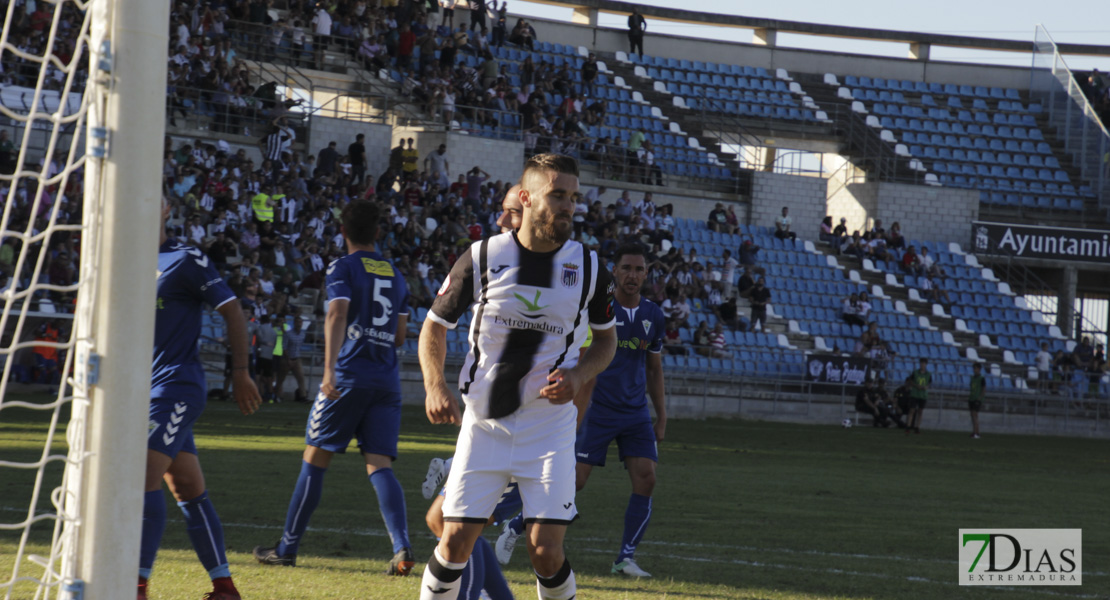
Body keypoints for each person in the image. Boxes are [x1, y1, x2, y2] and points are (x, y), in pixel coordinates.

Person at [417, 153, 617, 600]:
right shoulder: (484, 255)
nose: (568, 206)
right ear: (525, 198)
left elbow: (606, 342)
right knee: (452, 542)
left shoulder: (588, 268)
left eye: (573, 197)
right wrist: (435, 384)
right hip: (485, 422)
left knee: (545, 550)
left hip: (548, 428)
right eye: (557, 195)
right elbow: (434, 325)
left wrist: (579, 375)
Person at [253, 200, 416, 575]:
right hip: (386, 381)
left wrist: (328, 370)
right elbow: (401, 335)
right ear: (378, 232)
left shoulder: (341, 267)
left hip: (348, 377)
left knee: (315, 458)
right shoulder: (396, 274)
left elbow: (337, 312)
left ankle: (287, 548)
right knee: (380, 465)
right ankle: (402, 547)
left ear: (343, 231)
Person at [140, 200, 262, 600]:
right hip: (138, 392)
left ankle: (135, 585)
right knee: (187, 487)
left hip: (175, 387)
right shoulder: (120, 257)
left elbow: (232, 310)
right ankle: (224, 586)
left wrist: (241, 372)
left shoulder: (185, 257)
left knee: (142, 477)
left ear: (166, 208)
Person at [571, 244, 666, 577]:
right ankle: (518, 524)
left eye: (639, 270)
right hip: (598, 409)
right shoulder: (600, 309)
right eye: (626, 268)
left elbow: (654, 369)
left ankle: (625, 558)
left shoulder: (653, 315)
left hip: (635, 413)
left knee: (647, 478)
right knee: (574, 482)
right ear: (615, 271)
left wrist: (661, 416)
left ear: (645, 274)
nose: (633, 275)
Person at [905, 358, 931, 435]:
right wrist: (916, 386)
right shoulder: (915, 372)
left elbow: (929, 383)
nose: (922, 365)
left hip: (923, 395)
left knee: (920, 411)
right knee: (912, 410)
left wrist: (926, 387)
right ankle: (908, 426)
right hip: (915, 394)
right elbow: (910, 381)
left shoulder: (928, 374)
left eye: (923, 363)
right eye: (921, 363)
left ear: (926, 364)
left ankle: (917, 427)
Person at [968, 362, 986, 439]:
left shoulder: (982, 378)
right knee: (972, 415)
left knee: (975, 415)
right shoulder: (972, 378)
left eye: (975, 368)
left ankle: (977, 433)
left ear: (979, 369)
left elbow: (983, 389)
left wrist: (980, 398)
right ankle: (975, 432)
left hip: (977, 399)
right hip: (971, 398)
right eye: (974, 368)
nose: (974, 370)